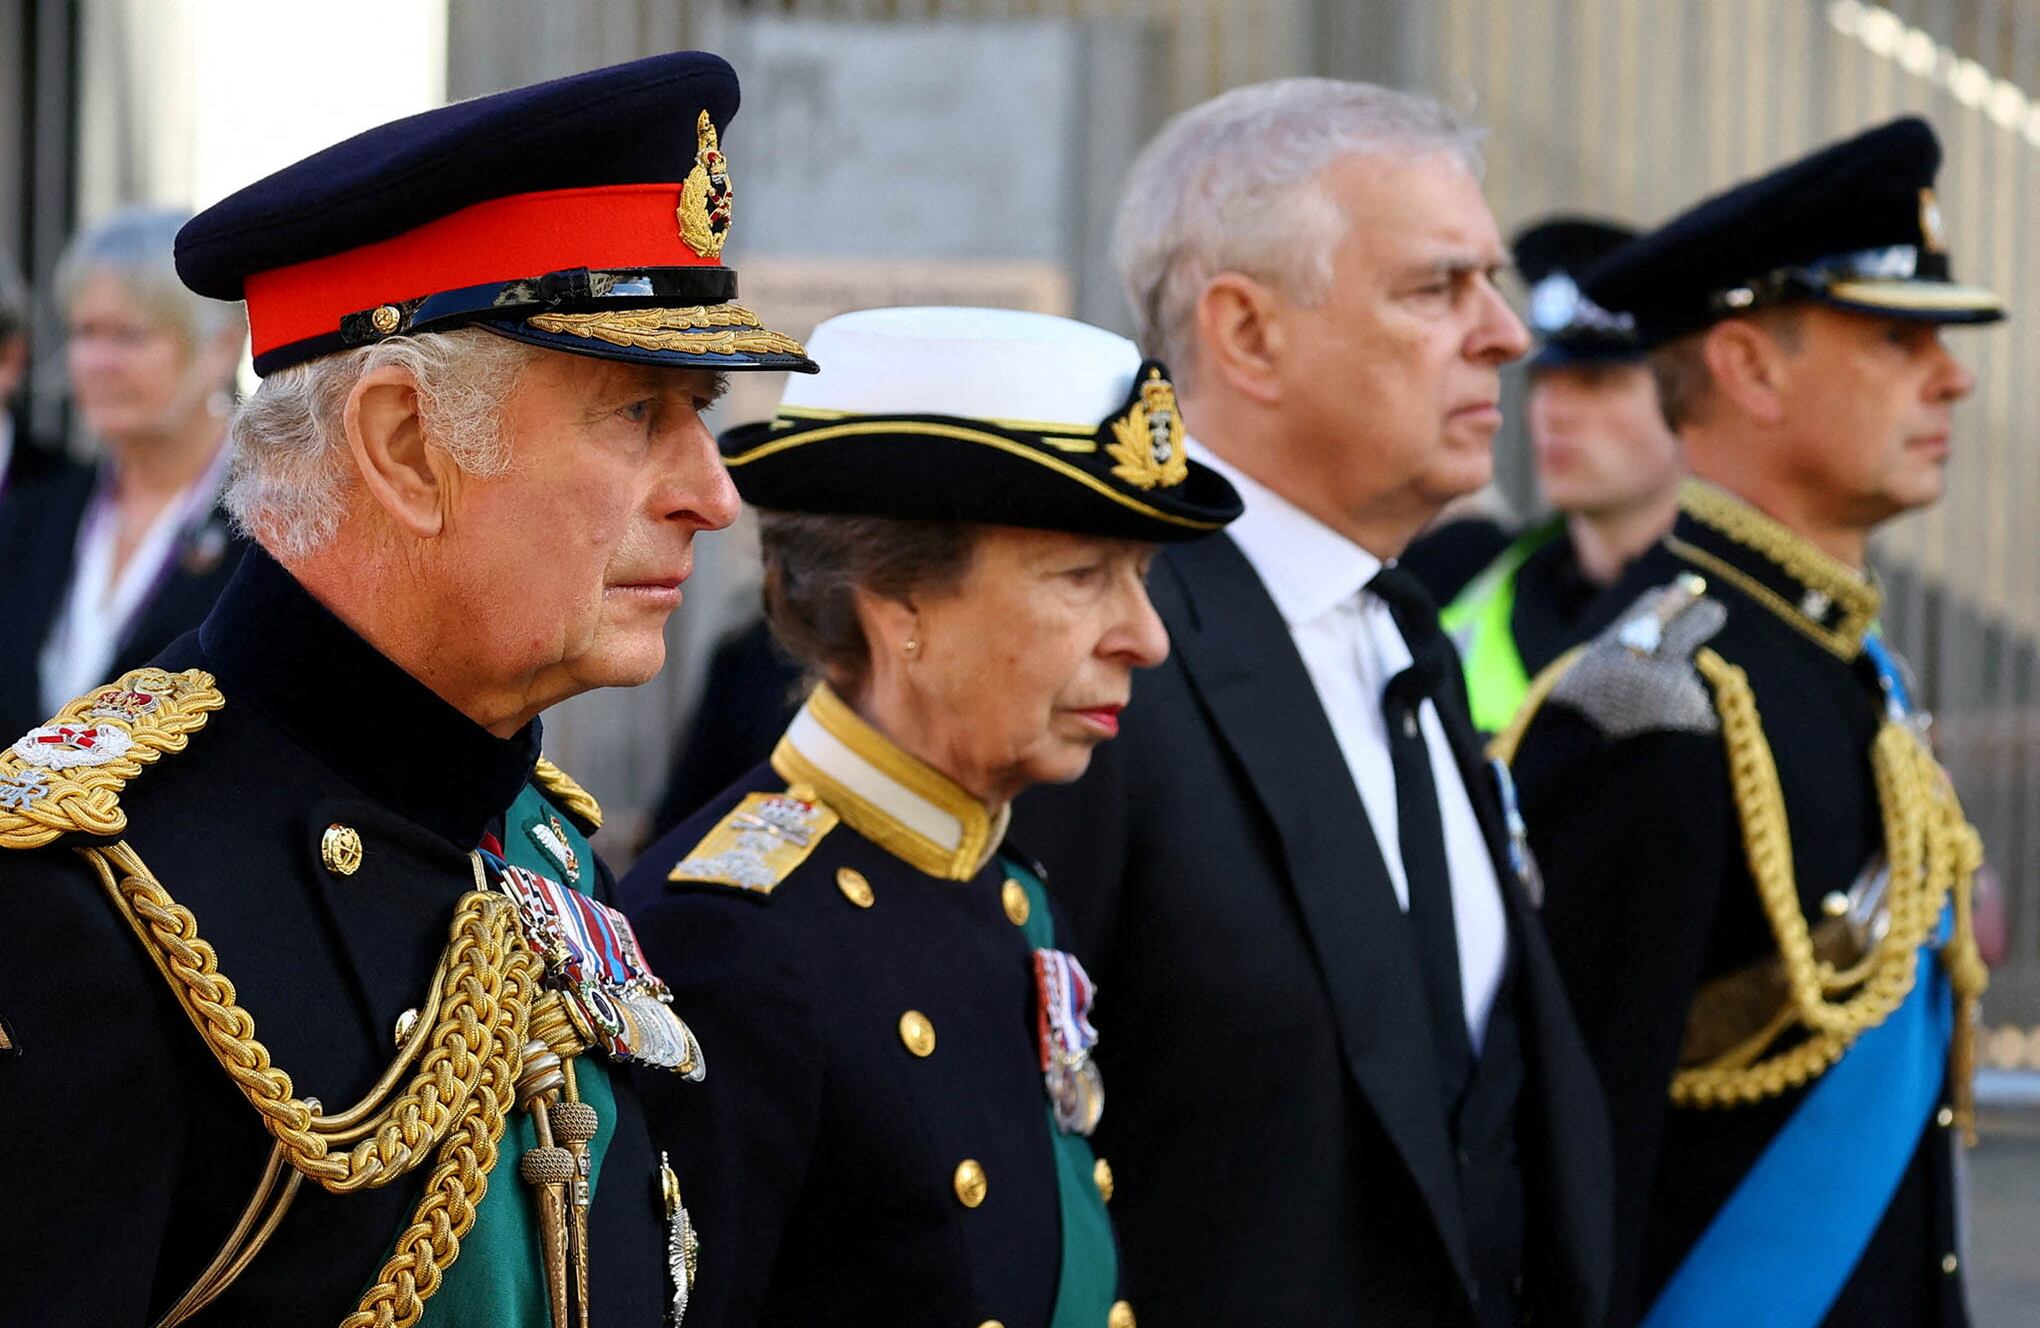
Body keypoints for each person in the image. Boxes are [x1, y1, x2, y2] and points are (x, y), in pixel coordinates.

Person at [0, 51, 812, 1325]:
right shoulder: (76, 892)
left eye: (697, 410)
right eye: (638, 411)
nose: (712, 492)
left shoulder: (533, 833)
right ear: (400, 445)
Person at [1010, 79, 1613, 1328]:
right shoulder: (1109, 650)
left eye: (1489, 283)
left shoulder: (1398, 630)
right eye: (1438, 289)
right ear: (1246, 332)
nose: (1504, 333)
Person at [621, 305, 1243, 1327]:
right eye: (1083, 576)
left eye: (1140, 577)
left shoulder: (1005, 883)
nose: (1145, 636)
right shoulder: (734, 937)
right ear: (896, 600)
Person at [1497, 117, 1999, 1326]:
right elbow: (1576, 1178)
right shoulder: (1654, 705)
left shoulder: (1847, 667)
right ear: (1749, 366)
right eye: (1897, 336)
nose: (1953, 374)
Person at [1403, 216, 1683, 733]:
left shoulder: (1745, 610)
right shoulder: (1458, 581)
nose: (1554, 412)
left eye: (1596, 381)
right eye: (1544, 381)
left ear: (1686, 395)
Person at [0, 208, 250, 742]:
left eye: (129, 336)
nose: (97, 361)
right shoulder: (29, 515)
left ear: (223, 346)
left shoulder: (276, 526)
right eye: (86, 332)